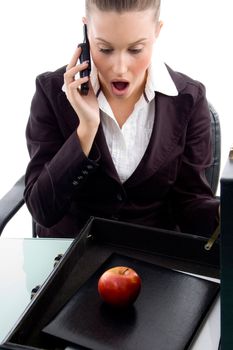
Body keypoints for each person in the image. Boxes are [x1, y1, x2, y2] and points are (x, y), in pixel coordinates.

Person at [24, 0, 219, 238]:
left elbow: (190, 204)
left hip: (152, 257)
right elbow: (42, 210)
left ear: (157, 31)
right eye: (105, 49)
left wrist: (222, 215)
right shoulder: (51, 93)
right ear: (87, 30)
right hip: (71, 255)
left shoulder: (189, 99)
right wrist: (86, 130)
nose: (119, 68)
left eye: (136, 50)